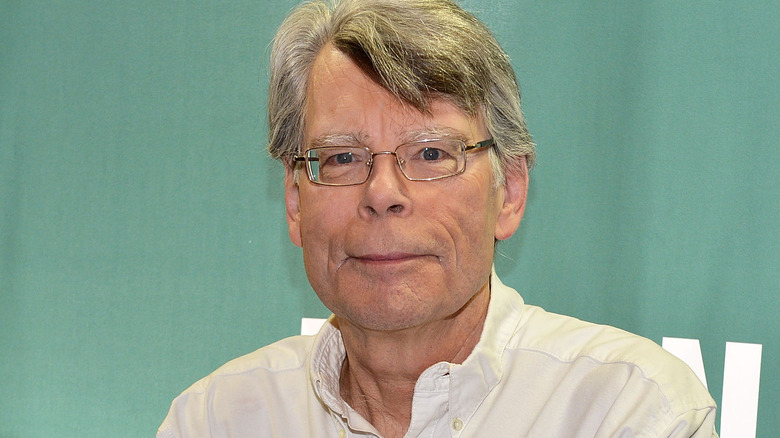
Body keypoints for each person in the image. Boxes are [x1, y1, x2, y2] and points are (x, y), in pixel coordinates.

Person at [158, 0, 718, 436]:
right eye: (342, 158)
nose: (382, 193)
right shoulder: (216, 421)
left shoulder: (629, 412)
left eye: (430, 153)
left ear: (511, 190)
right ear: (295, 201)